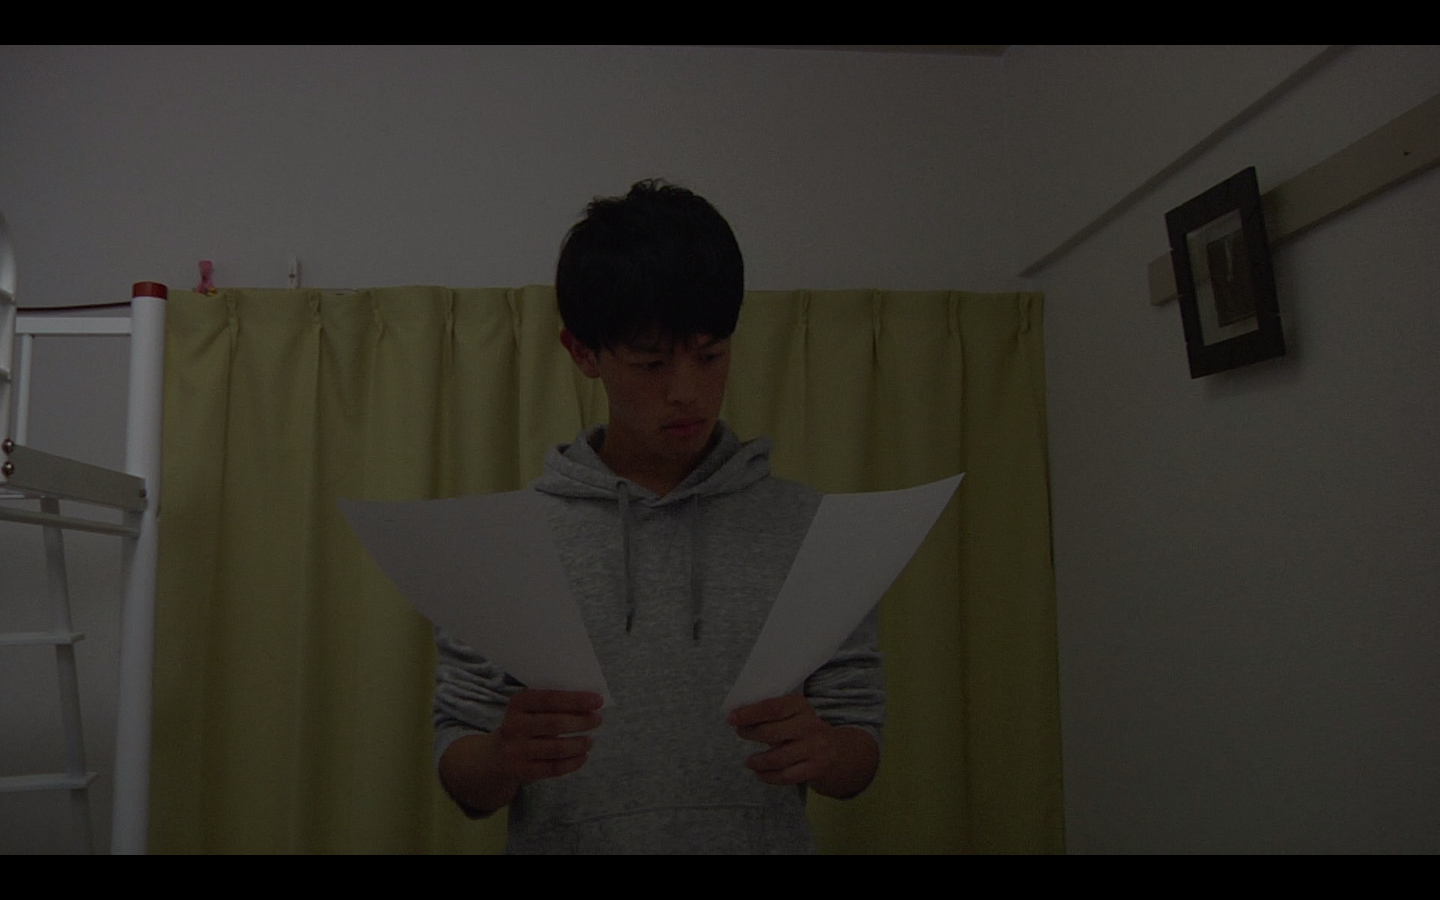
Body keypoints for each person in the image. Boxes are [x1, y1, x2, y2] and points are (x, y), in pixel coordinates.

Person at [432, 180, 885, 854]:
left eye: (710, 355)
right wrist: (502, 756)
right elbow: (461, 762)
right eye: (650, 363)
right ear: (582, 352)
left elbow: (858, 741)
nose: (687, 391)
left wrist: (826, 751)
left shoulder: (809, 527)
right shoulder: (509, 542)